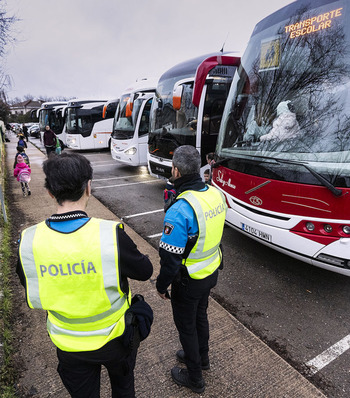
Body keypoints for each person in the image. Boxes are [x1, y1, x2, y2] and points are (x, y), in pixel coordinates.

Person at [16, 152, 153, 398]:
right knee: (123, 389)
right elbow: (145, 272)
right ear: (88, 187)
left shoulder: (29, 241)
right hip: (115, 339)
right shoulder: (109, 234)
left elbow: (27, 280)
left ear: (50, 192)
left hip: (67, 343)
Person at [156, 145, 227, 394]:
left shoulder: (180, 209)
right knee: (200, 317)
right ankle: (201, 358)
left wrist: (161, 285)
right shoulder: (216, 195)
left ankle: (195, 377)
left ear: (175, 170)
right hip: (210, 272)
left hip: (188, 280)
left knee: (187, 327)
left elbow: (170, 259)